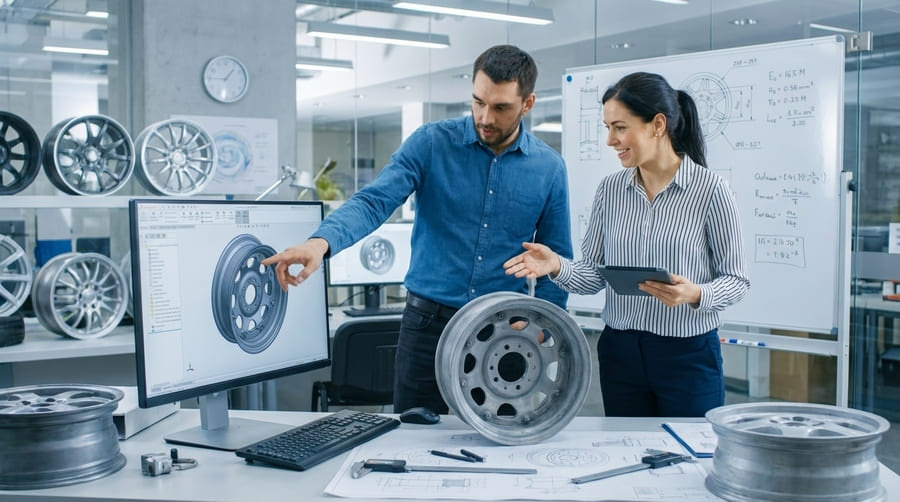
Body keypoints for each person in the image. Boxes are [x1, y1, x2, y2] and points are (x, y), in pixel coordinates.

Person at [262, 45, 573, 415]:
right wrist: (319, 243)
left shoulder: (549, 169)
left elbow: (555, 260)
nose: (485, 117)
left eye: (501, 107)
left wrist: (540, 327)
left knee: (498, 445)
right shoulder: (430, 144)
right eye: (478, 102)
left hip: (503, 331)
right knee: (412, 438)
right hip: (427, 327)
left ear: (528, 103)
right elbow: (374, 201)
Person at [503, 71, 750, 418]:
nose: (610, 140)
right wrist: (555, 265)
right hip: (620, 352)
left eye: (620, 127)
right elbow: (592, 276)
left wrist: (695, 294)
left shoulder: (711, 190)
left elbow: (737, 280)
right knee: (627, 456)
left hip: (687, 354)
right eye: (607, 128)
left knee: (688, 455)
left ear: (658, 124)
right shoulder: (610, 190)